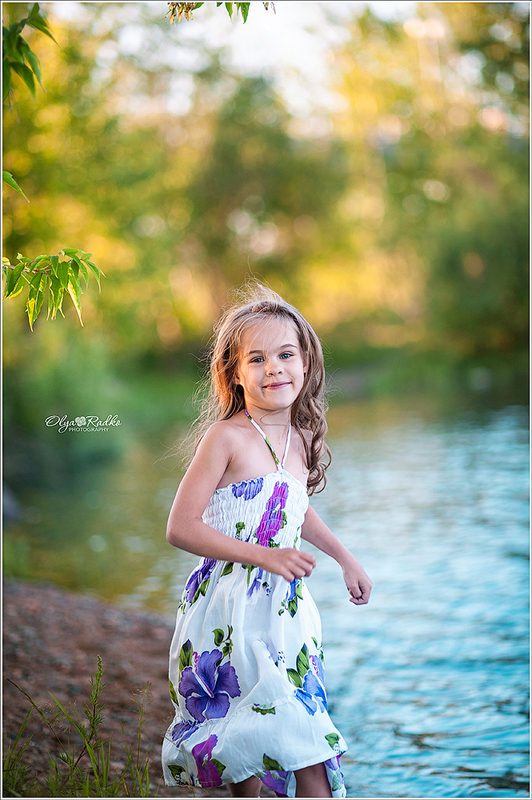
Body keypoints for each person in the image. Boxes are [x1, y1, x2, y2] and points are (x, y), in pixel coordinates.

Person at [161, 285, 372, 798]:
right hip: (228, 610)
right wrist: (266, 556)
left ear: (306, 363)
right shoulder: (226, 438)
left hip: (287, 613)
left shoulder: (301, 438)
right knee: (245, 750)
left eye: (285, 355)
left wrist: (344, 558)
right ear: (235, 373)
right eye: (256, 359)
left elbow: (294, 508)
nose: (273, 368)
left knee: (306, 739)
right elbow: (180, 526)